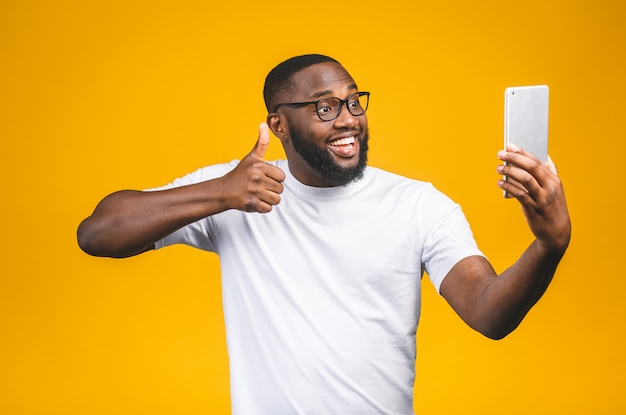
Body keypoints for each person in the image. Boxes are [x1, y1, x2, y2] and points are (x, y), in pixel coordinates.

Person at [77, 54, 571, 414]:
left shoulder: (419, 205)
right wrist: (219, 194)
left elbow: (489, 313)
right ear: (279, 124)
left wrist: (548, 246)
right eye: (324, 108)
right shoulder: (240, 188)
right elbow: (98, 233)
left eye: (355, 103)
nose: (349, 121)